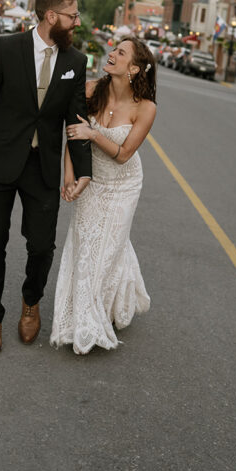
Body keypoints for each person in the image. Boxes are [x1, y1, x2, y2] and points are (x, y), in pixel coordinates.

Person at [0, 0, 92, 354]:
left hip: (43, 168)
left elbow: (77, 120)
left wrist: (82, 171)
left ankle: (31, 302)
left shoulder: (76, 62)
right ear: (51, 16)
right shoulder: (6, 49)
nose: (76, 22)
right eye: (72, 15)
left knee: (41, 246)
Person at [50, 36, 157, 355]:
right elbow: (73, 134)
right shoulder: (89, 90)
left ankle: (94, 316)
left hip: (124, 184)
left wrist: (94, 133)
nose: (111, 54)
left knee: (108, 246)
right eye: (114, 49)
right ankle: (81, 314)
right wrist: (69, 173)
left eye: (120, 53)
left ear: (134, 68)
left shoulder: (146, 108)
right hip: (92, 180)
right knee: (86, 244)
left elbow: (124, 154)